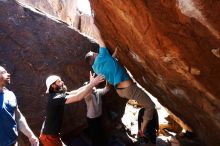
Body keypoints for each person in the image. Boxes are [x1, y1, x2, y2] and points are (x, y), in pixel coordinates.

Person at [85, 39, 156, 144]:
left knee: (145, 104)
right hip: (129, 89)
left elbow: (109, 64)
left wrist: (115, 54)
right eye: (93, 53)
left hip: (121, 91)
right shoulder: (100, 57)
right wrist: (95, 22)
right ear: (94, 57)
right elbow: (101, 40)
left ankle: (143, 127)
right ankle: (141, 132)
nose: (95, 52)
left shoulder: (96, 68)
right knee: (150, 106)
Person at [39, 73, 104, 146]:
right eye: (59, 81)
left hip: (51, 135)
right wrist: (92, 84)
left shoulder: (58, 94)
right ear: (53, 85)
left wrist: (90, 84)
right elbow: (78, 97)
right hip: (49, 138)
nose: (62, 82)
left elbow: (77, 91)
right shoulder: (55, 98)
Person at [0, 65, 39, 146]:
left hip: (14, 143)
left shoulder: (10, 95)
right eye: (3, 72)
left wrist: (31, 135)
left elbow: (18, 116)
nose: (8, 74)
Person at [84, 72, 110, 146]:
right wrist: (91, 85)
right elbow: (87, 93)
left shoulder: (97, 92)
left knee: (101, 132)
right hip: (92, 119)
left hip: (98, 117)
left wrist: (108, 79)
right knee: (95, 136)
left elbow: (106, 89)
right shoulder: (87, 96)